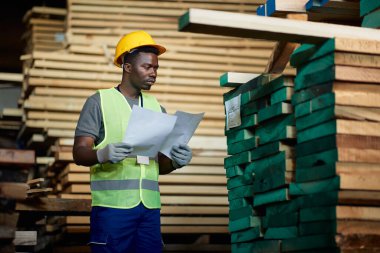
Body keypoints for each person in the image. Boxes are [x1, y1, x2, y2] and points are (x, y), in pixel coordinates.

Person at [72, 30, 193, 253]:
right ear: (127, 67)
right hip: (112, 210)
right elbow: (79, 153)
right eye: (147, 67)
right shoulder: (99, 102)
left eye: (156, 67)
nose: (153, 73)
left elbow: (158, 165)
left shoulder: (158, 108)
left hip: (149, 210)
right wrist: (102, 154)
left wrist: (176, 161)